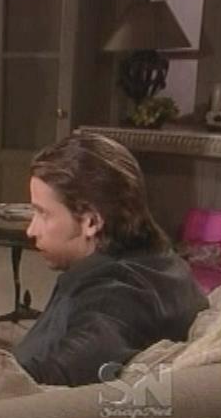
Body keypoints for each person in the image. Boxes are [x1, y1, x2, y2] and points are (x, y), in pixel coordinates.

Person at [12, 134, 208, 386]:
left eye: (43, 213)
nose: (31, 230)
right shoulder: (163, 262)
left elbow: (50, 379)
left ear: (91, 221)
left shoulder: (115, 296)